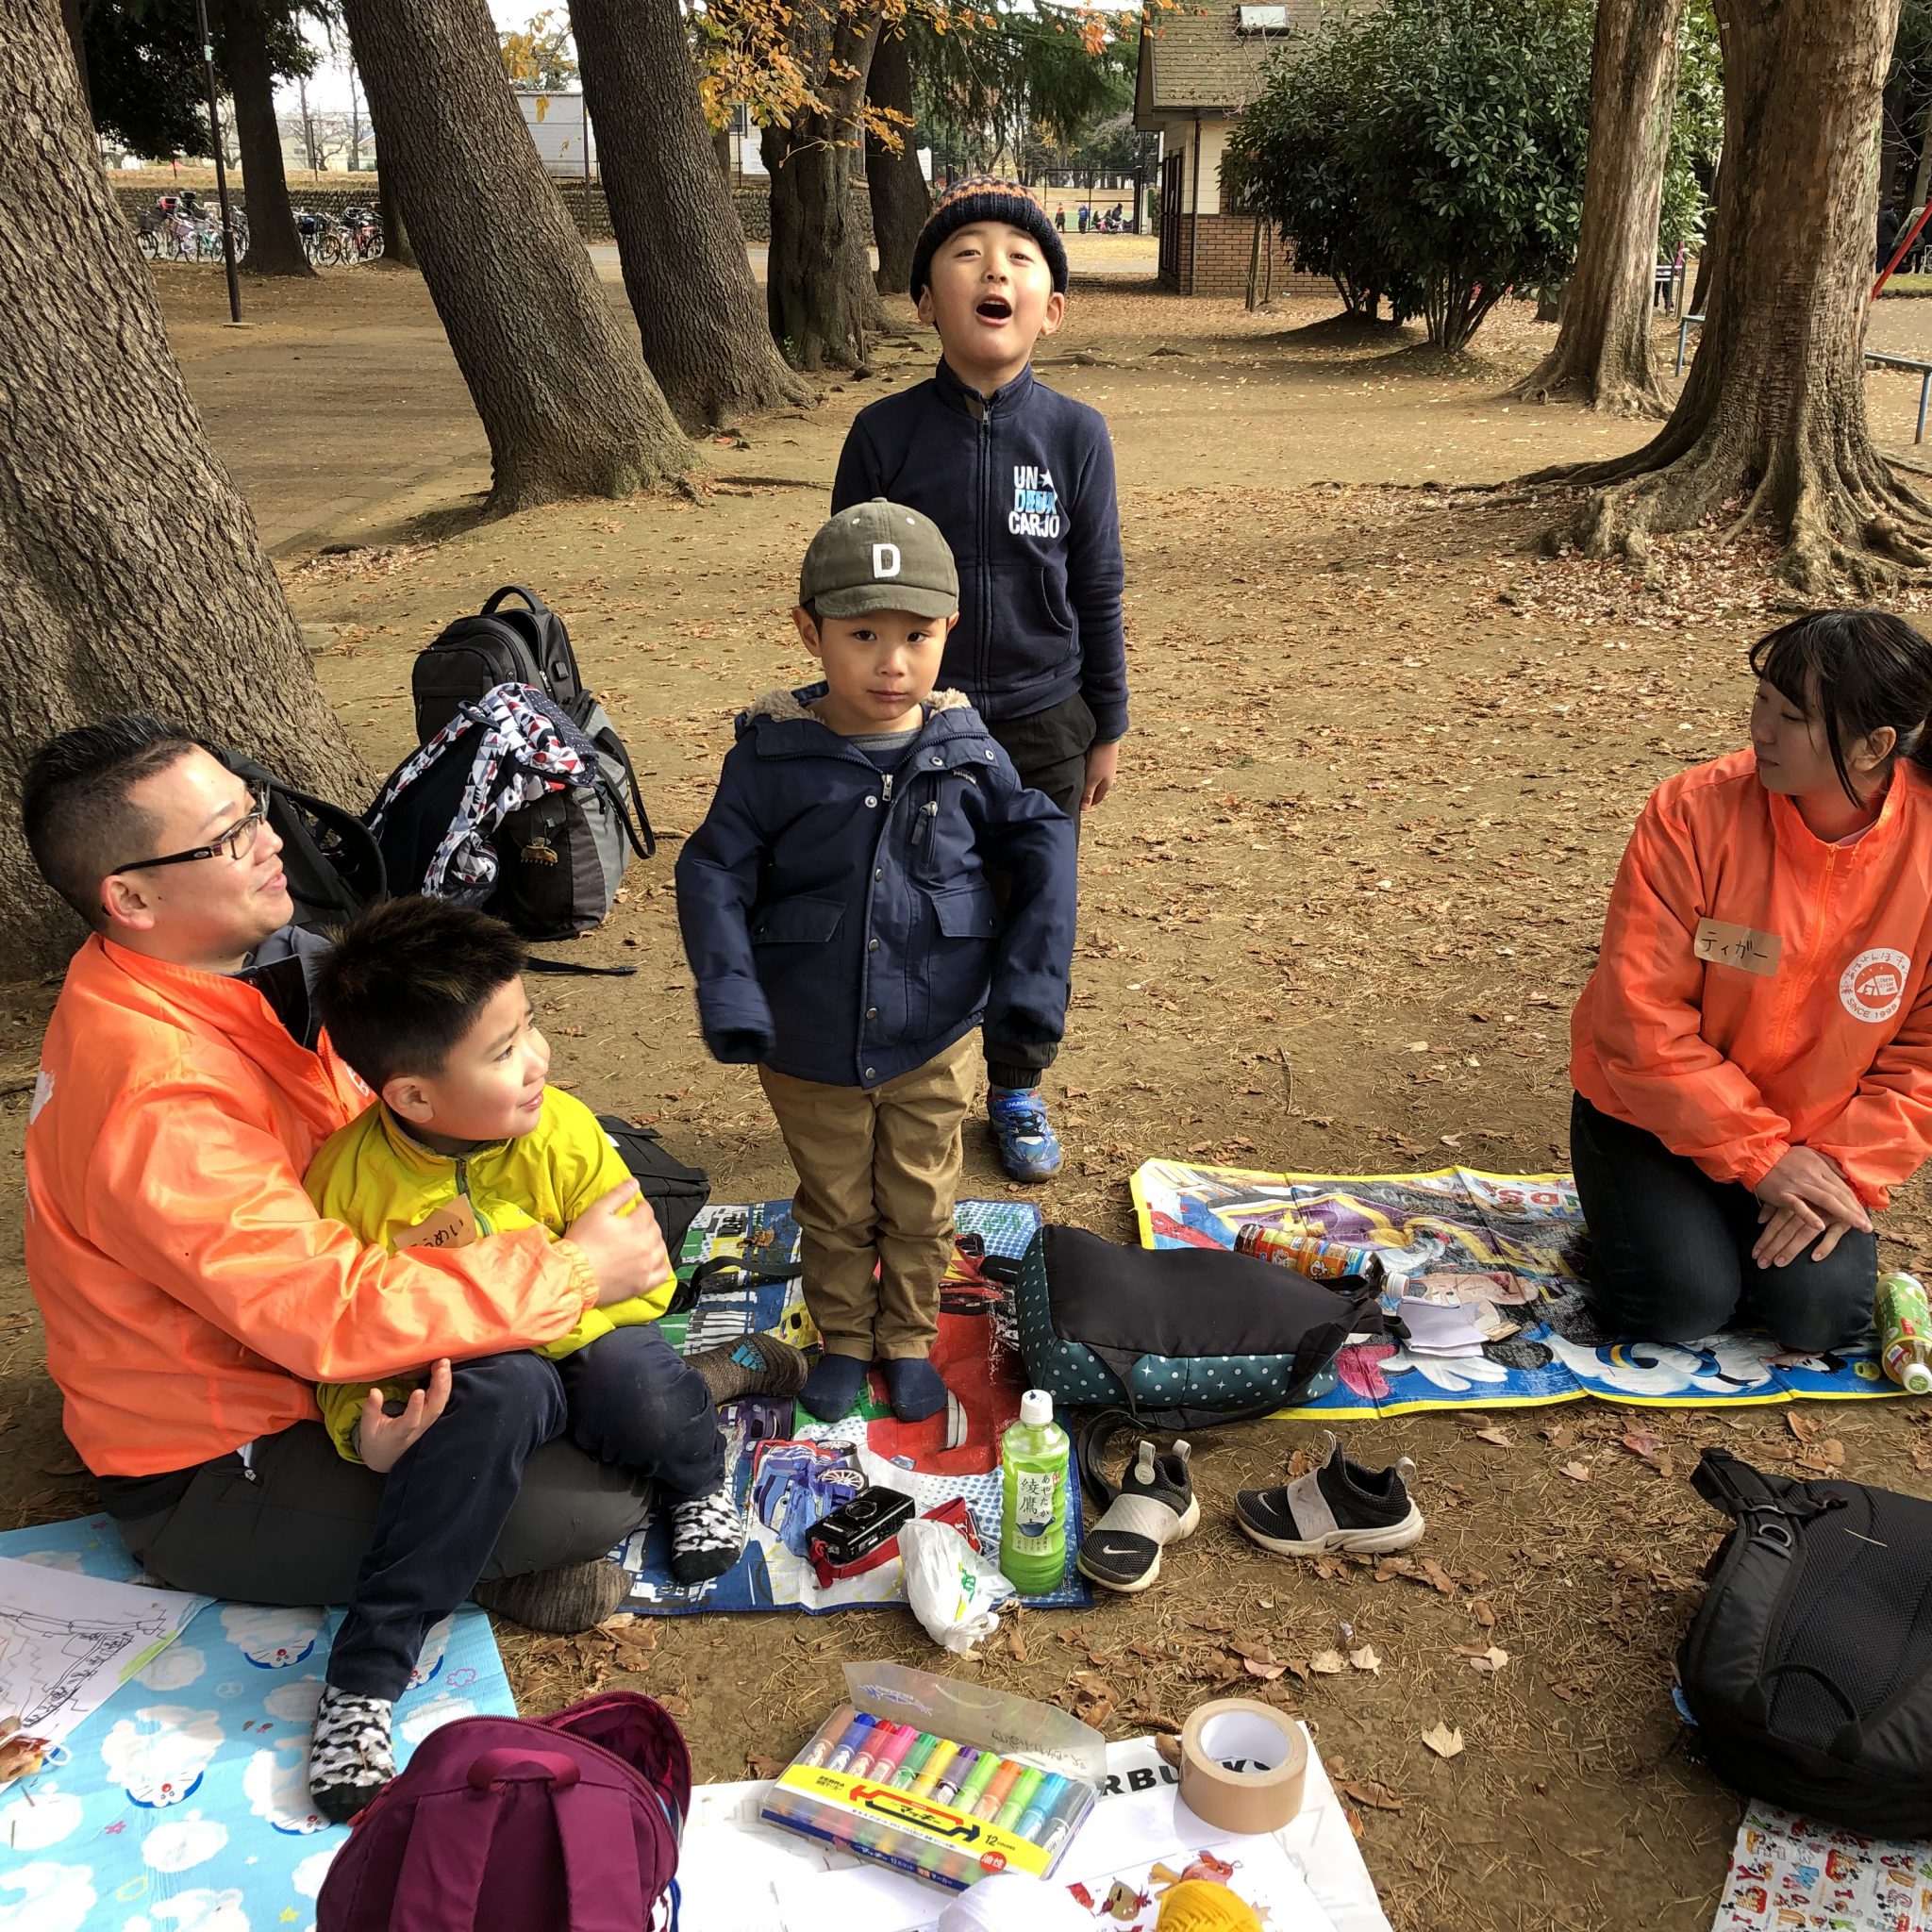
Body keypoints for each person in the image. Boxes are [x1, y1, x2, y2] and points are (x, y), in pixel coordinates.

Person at [19, 722, 668, 1813]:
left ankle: (474, 1503)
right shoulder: (155, 1095)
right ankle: (410, 1632)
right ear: (129, 896)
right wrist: (567, 1271)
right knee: (596, 1493)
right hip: (223, 1452)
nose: (270, 840)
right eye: (227, 836)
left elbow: (382, 1160)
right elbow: (322, 1309)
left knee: (596, 1386)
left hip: (341, 1340)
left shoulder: (246, 967)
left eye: (254, 808)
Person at [299, 896, 787, 1814]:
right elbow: (343, 1334)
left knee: (638, 1384)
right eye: (503, 1050)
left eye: (529, 1026)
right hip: (487, 1378)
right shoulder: (347, 1185)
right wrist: (361, 1427)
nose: (539, 1059)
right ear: (411, 1095)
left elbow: (643, 1281)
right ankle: (364, 1682)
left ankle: (697, 1480)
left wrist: (542, 1315)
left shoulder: (561, 1131)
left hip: (594, 1342)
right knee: (496, 1393)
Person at [675, 500, 1076, 1425]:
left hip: (934, 1035)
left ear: (949, 629)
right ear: (808, 630)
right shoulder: (771, 758)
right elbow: (713, 871)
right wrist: (731, 989)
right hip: (807, 1041)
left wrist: (1029, 987)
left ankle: (905, 1337)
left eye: (916, 635)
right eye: (862, 635)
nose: (892, 662)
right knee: (835, 1203)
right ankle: (846, 1337)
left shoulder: (968, 751)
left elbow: (1042, 843)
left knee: (920, 1199)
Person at [831, 175, 1126, 1185]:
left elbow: (1097, 585)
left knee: (1037, 907)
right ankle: (915, 1079)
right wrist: (856, 712)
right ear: (925, 302)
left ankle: (1016, 1082)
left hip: (1046, 723)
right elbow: (845, 594)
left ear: (1051, 308)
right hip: (918, 726)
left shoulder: (1076, 435)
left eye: (1018, 258)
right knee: (923, 905)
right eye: (965, 256)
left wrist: (1106, 721)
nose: (992, 269)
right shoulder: (884, 435)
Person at [1570, 609, 1932, 1354]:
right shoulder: (1692, 813)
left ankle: (1720, 1231)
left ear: (1875, 746)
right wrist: (1761, 1159)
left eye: (1792, 718)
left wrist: (1841, 1167)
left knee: (1821, 1321)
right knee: (1681, 1306)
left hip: (1819, 1137)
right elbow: (1639, 1019)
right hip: (1651, 1115)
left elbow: (1923, 1061)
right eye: (1762, 700)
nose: (1759, 730)